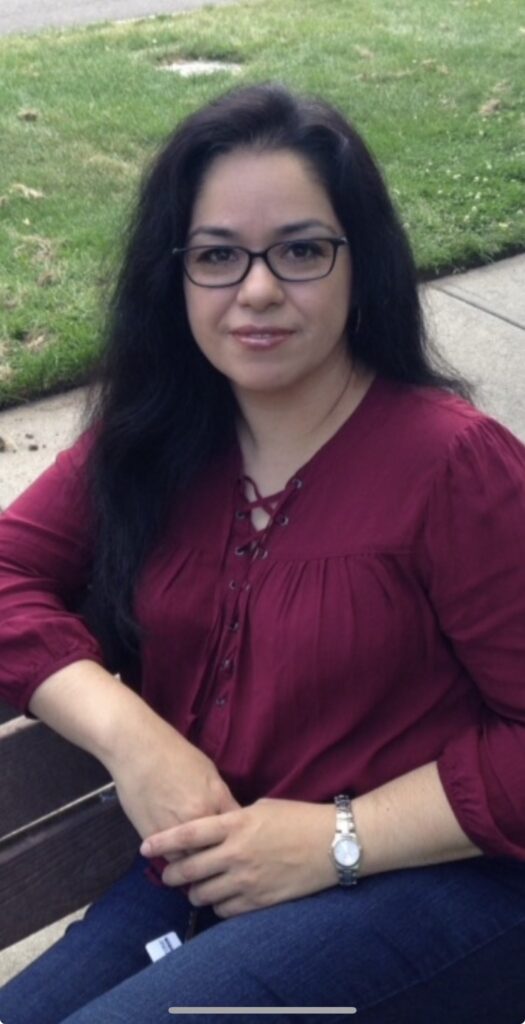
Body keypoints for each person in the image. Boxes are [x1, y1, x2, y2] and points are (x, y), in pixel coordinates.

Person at [0, 82, 524, 1024]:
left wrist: (340, 839)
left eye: (300, 250)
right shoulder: (154, 441)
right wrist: (134, 737)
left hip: (446, 889)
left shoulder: (452, 466)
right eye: (216, 255)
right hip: (214, 871)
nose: (257, 290)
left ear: (360, 263)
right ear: (176, 273)